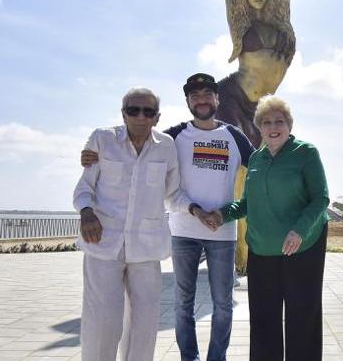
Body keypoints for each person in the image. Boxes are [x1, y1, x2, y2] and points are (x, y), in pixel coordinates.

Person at [81, 74, 254, 361]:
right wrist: (90, 165)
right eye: (194, 94)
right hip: (172, 234)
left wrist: (293, 153)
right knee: (172, 305)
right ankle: (189, 357)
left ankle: (216, 358)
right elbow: (92, 179)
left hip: (211, 236)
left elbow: (262, 167)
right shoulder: (167, 138)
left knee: (214, 306)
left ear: (217, 99)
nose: (201, 99)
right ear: (187, 101)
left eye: (207, 93)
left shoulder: (224, 137)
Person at [73, 87, 198, 361]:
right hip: (103, 243)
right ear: (123, 113)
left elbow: (173, 193)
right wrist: (86, 213)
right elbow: (84, 188)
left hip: (147, 246)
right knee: (103, 322)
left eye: (148, 111)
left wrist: (197, 210)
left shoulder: (166, 146)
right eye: (133, 110)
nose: (140, 116)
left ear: (157, 117)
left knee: (145, 324)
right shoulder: (102, 139)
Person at [208, 95, 329, 361]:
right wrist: (221, 215)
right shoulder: (256, 160)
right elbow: (247, 204)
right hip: (262, 249)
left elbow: (321, 198)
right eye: (267, 122)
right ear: (259, 127)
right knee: (263, 318)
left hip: (303, 246)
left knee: (301, 315)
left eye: (279, 121)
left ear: (289, 125)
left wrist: (299, 230)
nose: (273, 126)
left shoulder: (306, 153)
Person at [217, 0, 296, 147]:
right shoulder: (240, 24)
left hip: (262, 105)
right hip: (232, 97)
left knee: (260, 162)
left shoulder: (282, 22)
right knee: (239, 157)